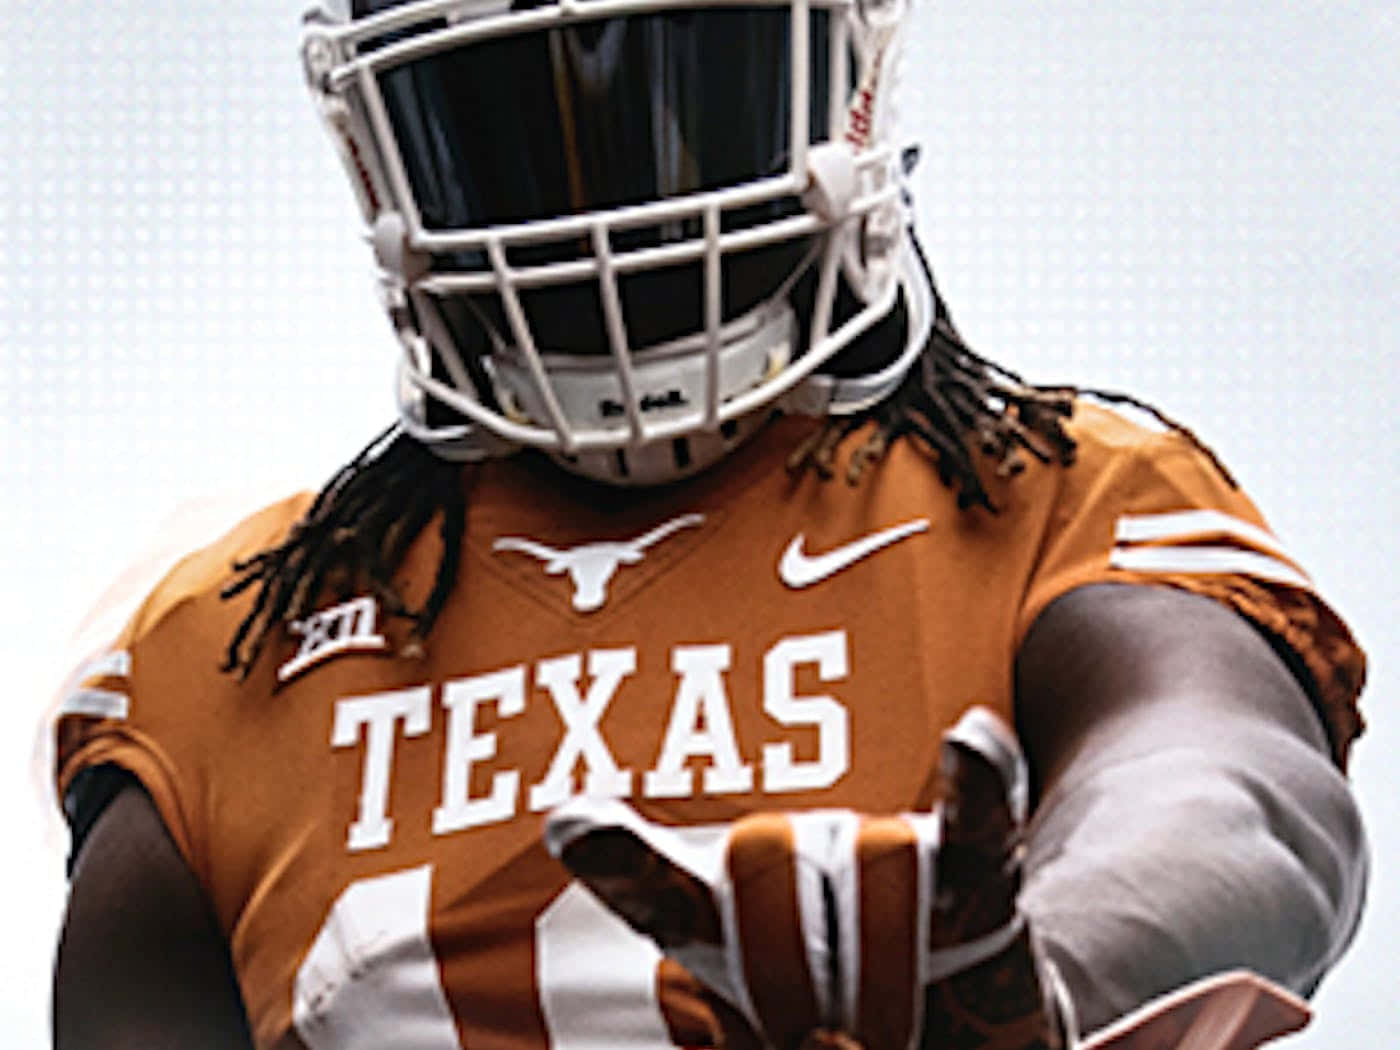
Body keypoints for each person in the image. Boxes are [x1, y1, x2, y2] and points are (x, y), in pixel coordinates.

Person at [51, 0, 1368, 1048]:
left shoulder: (1046, 493)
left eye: (678, 86)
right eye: (518, 118)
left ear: (840, 90)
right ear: (384, 153)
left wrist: (1035, 977)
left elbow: (1234, 797)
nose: (607, 200)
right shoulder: (226, 644)